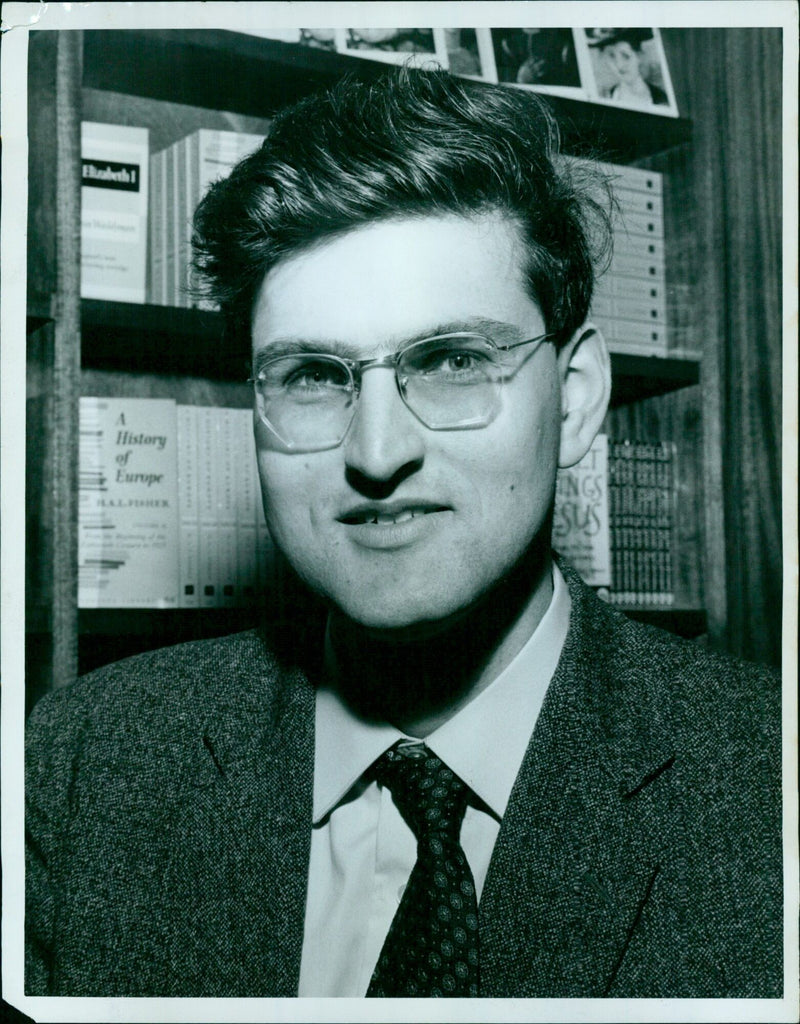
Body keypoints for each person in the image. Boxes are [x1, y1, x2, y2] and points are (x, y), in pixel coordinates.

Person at [25, 67, 781, 999]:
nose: (376, 452)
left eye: (455, 360)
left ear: (578, 399)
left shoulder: (766, 786)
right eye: (311, 375)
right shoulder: (81, 766)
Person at [588, 28, 669, 108]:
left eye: (626, 56)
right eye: (612, 56)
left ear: (639, 56)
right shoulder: (606, 97)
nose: (619, 65)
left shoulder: (661, 100)